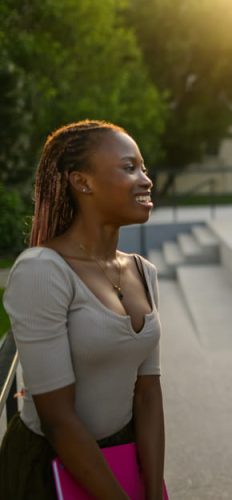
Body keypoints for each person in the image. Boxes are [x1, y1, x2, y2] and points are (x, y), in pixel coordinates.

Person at [0, 120, 165, 499]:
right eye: (129, 168)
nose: (146, 179)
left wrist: (154, 491)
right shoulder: (42, 270)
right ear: (82, 181)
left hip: (123, 454)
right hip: (50, 469)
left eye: (143, 167)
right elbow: (57, 419)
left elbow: (149, 393)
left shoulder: (143, 271)